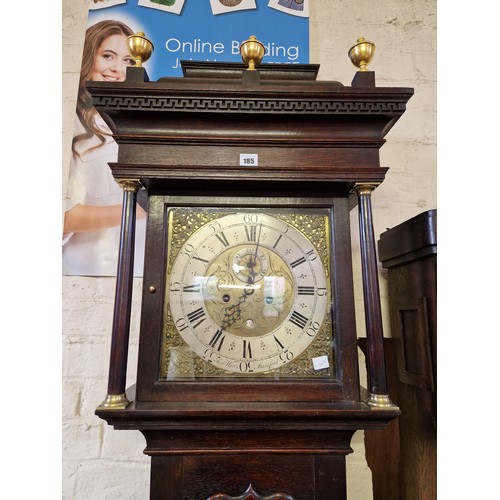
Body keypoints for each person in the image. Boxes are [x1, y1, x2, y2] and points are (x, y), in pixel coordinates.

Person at [63, 20, 146, 276]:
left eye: (127, 61)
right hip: (86, 272)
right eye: (108, 56)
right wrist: (139, 207)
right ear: (88, 57)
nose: (117, 69)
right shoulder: (69, 123)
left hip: (139, 269)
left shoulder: (135, 122)